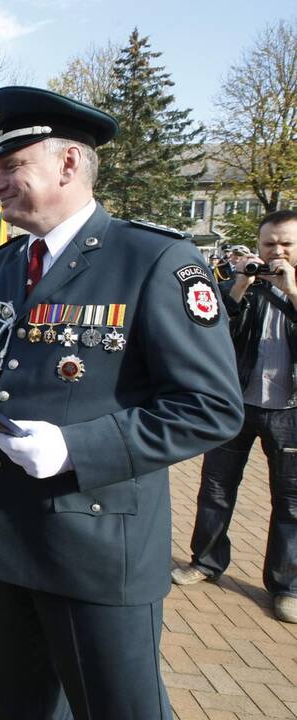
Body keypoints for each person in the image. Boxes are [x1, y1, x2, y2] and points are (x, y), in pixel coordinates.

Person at [0, 85, 243, 719]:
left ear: (69, 164)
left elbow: (211, 406)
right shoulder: (1, 266)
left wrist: (75, 447)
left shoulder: (155, 259)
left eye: (11, 168)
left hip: (98, 548)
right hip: (7, 538)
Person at [172, 209, 297, 623]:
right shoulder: (243, 287)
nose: (276, 252)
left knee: (290, 501)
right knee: (216, 488)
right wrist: (242, 282)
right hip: (236, 405)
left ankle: (286, 586)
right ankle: (206, 562)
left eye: (286, 244)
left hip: (289, 411)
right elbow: (210, 328)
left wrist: (291, 290)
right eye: (269, 244)